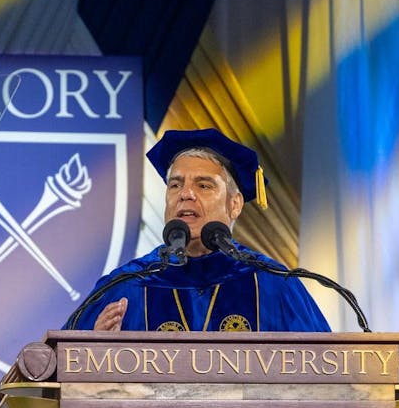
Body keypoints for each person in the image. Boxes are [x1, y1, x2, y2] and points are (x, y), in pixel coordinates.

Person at [65, 128, 330, 332]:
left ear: (235, 204)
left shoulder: (273, 284)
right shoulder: (127, 285)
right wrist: (89, 348)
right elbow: (51, 368)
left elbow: (328, 370)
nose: (186, 194)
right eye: (175, 185)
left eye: (204, 185)